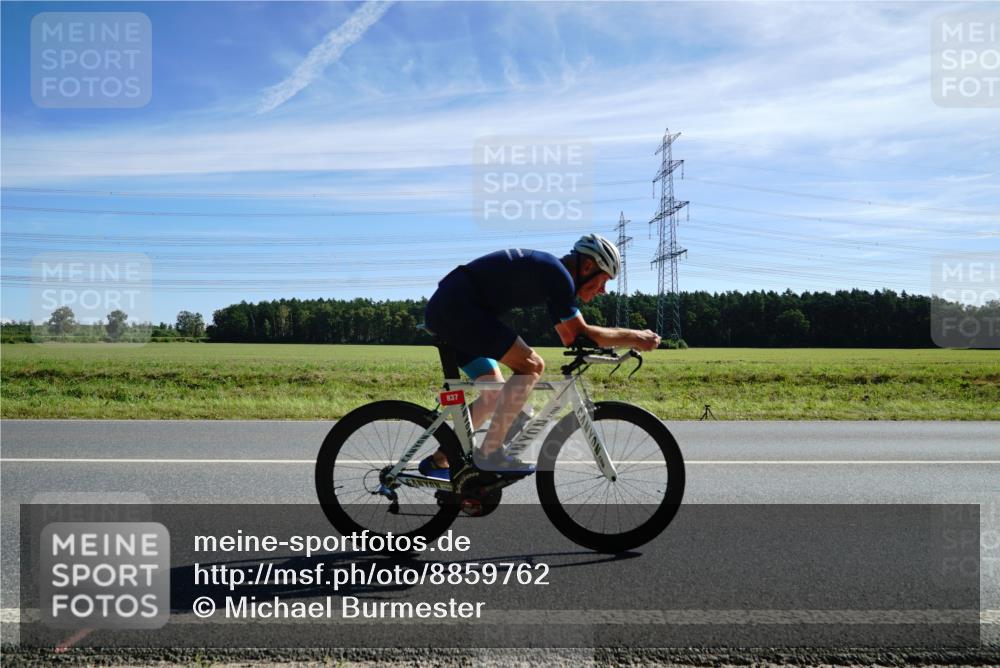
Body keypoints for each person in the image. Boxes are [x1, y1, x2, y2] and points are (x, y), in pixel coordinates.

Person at [420, 233, 661, 478]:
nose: (603, 291)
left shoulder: (554, 275)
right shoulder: (558, 276)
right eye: (604, 281)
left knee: (494, 393)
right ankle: (490, 454)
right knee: (531, 365)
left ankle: (441, 459)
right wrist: (635, 337)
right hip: (458, 310)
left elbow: (570, 338)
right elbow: (580, 332)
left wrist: (610, 344)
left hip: (453, 308)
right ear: (588, 266)